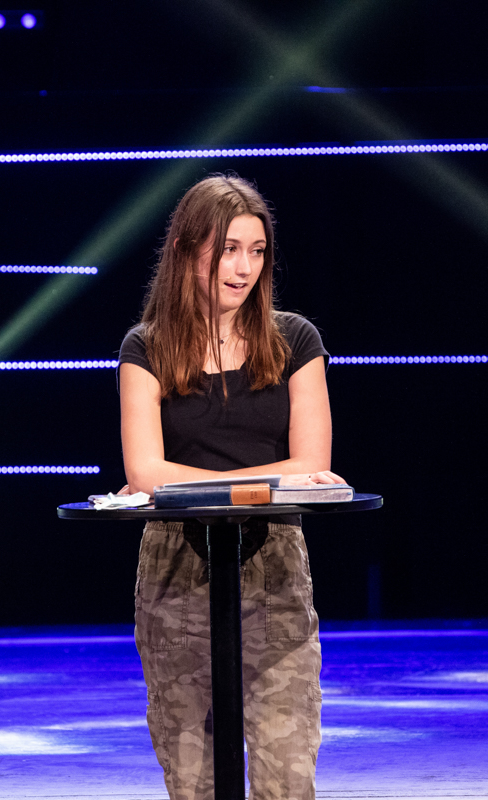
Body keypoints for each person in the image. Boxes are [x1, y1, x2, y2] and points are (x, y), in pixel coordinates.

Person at [118, 173, 343, 800]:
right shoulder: (146, 348)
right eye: (228, 250)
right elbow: (144, 473)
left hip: (273, 562)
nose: (244, 268)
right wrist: (272, 478)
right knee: (193, 779)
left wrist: (200, 484)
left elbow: (314, 462)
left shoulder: (295, 340)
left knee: (285, 774)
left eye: (257, 251)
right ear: (187, 250)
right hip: (177, 566)